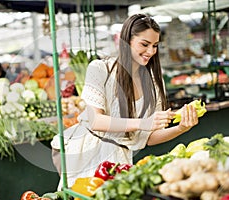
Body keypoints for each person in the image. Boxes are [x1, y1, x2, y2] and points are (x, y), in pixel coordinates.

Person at [51, 13, 199, 189]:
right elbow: (96, 120)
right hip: (87, 152)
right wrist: (142, 123)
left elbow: (149, 138)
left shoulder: (153, 82)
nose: (151, 51)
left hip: (119, 157)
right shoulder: (100, 68)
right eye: (144, 44)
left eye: (155, 46)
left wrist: (181, 128)